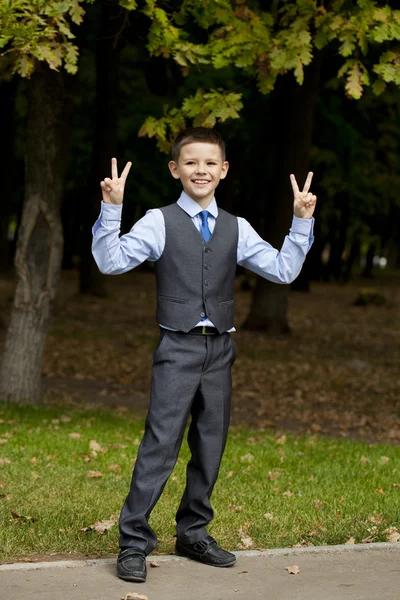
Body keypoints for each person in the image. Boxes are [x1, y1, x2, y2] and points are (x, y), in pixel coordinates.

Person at [91, 127, 317, 582]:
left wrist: (300, 221)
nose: (201, 170)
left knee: (210, 445)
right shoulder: (160, 221)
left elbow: (283, 269)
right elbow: (110, 262)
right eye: (191, 162)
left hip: (220, 350)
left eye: (210, 163)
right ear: (175, 169)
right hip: (177, 347)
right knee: (161, 444)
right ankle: (133, 541)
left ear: (224, 171)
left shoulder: (237, 226)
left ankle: (193, 533)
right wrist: (111, 208)